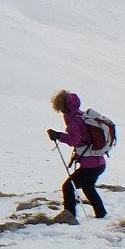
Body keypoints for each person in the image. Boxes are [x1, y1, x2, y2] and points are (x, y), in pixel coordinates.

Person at [47, 89, 108, 220]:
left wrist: (59, 136)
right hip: (99, 163)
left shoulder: (74, 121)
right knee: (88, 187)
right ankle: (101, 214)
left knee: (68, 187)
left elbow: (75, 140)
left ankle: (69, 218)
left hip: (90, 166)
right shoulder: (83, 116)